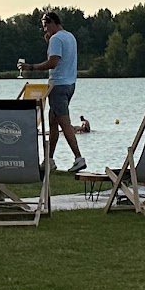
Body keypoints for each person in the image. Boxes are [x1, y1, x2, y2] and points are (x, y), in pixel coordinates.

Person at [19, 9, 87, 174]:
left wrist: (31, 67)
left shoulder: (56, 39)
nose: (44, 29)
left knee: (64, 122)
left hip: (58, 85)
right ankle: (49, 160)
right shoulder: (69, 36)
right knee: (53, 121)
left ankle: (79, 158)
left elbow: (53, 62)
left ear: (51, 22)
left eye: (45, 25)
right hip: (70, 84)